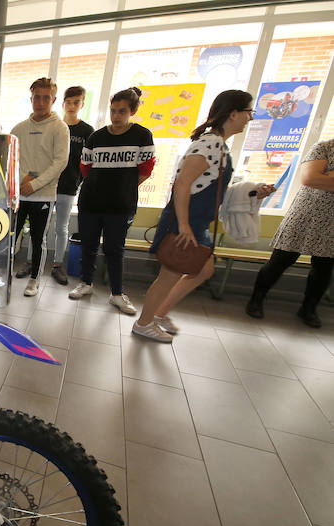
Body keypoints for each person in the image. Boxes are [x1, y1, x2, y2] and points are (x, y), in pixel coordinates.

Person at [134, 91, 271, 341]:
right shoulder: (210, 144)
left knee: (204, 270)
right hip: (185, 221)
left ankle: (158, 313)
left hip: (195, 221)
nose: (250, 118)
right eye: (248, 112)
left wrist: (253, 192)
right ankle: (144, 322)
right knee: (169, 276)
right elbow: (183, 184)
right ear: (233, 113)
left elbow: (212, 188)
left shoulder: (219, 145)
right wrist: (184, 225)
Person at [68, 87, 155, 314]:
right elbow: (85, 168)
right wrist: (101, 187)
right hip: (91, 203)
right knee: (88, 245)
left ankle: (117, 293)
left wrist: (123, 188)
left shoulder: (142, 136)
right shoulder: (97, 137)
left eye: (122, 111)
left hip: (120, 206)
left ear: (132, 111)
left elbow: (146, 169)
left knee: (115, 249)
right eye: (113, 110)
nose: (116, 116)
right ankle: (86, 283)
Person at [246, 137, 333, 328]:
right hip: (306, 214)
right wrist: (324, 178)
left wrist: (328, 177)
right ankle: (256, 300)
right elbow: (310, 178)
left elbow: (321, 179)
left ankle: (308, 309)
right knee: (280, 260)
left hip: (332, 223)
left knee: (324, 267)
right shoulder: (325, 147)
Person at [10, 78, 70, 297]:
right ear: (31, 98)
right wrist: (19, 183)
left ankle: (34, 280)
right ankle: (5, 275)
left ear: (53, 100)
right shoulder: (19, 128)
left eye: (46, 98)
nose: (41, 102)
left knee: (38, 239)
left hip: (43, 195)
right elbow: (10, 160)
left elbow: (60, 162)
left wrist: (34, 184)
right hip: (18, 196)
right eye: (37, 97)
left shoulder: (59, 128)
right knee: (10, 237)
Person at [51, 86, 94, 286]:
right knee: (39, 228)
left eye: (76, 102)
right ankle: (30, 262)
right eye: (68, 102)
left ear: (82, 104)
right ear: (63, 103)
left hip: (68, 186)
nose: (72, 106)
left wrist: (79, 182)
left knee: (61, 227)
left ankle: (57, 265)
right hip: (46, 185)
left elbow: (88, 162)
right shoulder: (55, 126)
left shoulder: (87, 131)